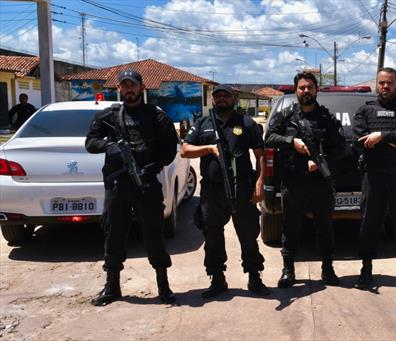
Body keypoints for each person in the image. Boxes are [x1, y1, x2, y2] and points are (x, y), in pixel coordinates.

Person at [85, 69, 178, 306]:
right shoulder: (109, 115)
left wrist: (151, 167)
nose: (128, 89)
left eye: (132, 85)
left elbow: (169, 151)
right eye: (124, 86)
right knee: (114, 233)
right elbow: (90, 143)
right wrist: (109, 146)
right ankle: (112, 286)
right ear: (119, 89)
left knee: (154, 234)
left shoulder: (157, 117)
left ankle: (163, 286)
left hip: (146, 183)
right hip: (118, 185)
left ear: (141, 87)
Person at [180, 84, 269, 298]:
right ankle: (217, 279)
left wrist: (259, 184)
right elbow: (185, 150)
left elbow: (261, 155)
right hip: (212, 192)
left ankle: (254, 277)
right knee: (213, 237)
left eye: (225, 97)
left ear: (234, 99)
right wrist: (209, 149)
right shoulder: (203, 123)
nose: (221, 100)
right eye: (217, 96)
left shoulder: (246, 123)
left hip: (242, 190)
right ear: (213, 100)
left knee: (248, 235)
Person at [265, 72, 345, 288]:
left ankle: (327, 269)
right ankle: (288, 270)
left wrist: (321, 162)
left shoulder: (327, 118)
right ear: (296, 90)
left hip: (320, 182)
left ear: (316, 90)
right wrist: (292, 141)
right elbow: (269, 138)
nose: (306, 91)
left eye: (310, 87)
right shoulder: (286, 116)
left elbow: (341, 148)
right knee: (290, 227)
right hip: (294, 181)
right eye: (302, 87)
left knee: (325, 227)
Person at [353, 67, 396, 290]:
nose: (385, 86)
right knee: (369, 224)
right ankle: (365, 271)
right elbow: (360, 137)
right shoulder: (365, 110)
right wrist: (393, 141)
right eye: (382, 82)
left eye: (389, 82)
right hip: (373, 175)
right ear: (376, 84)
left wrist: (381, 136)